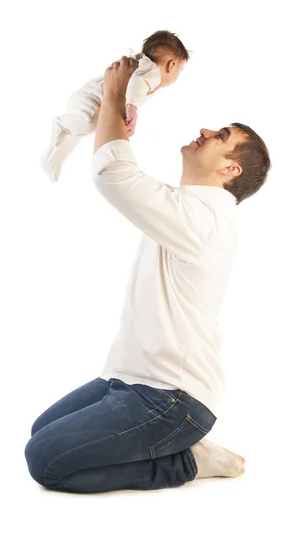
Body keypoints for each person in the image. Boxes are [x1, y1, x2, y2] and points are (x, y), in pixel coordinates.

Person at [25, 56, 271, 493]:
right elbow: (124, 174)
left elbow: (114, 174)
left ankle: (187, 462)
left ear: (230, 169)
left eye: (222, 137)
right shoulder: (184, 207)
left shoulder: (203, 219)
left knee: (47, 462)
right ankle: (168, 445)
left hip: (173, 397)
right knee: (42, 431)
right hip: (129, 378)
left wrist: (116, 95)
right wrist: (118, 109)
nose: (206, 131)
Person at [41, 30, 188, 181]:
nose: (178, 74)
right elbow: (138, 84)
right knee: (84, 125)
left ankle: (53, 159)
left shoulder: (144, 67)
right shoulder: (152, 71)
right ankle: (60, 124)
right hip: (90, 101)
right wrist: (132, 108)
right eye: (180, 70)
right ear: (172, 65)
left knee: (80, 132)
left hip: (91, 100)